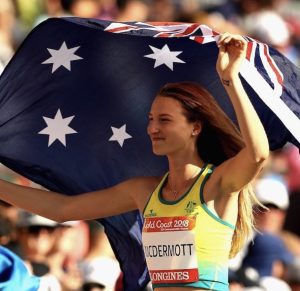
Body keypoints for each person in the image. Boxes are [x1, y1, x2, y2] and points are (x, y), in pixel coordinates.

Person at [0, 33, 269, 291]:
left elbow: (257, 154)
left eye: (164, 120)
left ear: (195, 127)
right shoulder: (144, 191)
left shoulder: (217, 184)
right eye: (151, 119)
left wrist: (231, 78)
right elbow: (63, 209)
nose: (153, 128)